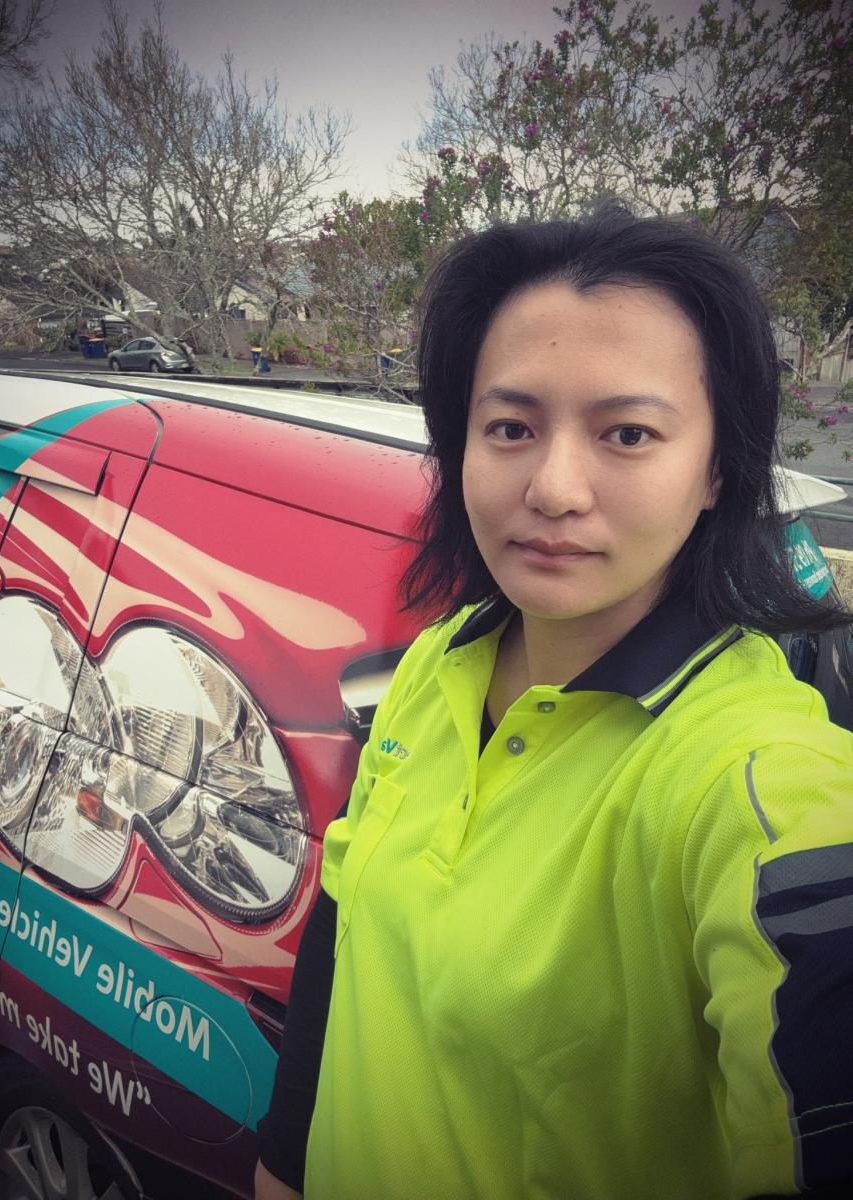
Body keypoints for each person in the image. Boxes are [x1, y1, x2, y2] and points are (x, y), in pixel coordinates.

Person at [254, 208, 853, 1200]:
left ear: (716, 468)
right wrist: (281, 1163)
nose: (554, 487)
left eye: (628, 433)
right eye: (511, 428)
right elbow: (343, 922)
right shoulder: (440, 662)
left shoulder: (755, 778)